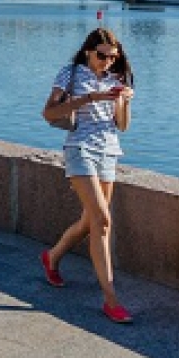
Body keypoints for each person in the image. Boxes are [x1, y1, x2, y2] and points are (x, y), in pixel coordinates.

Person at [38, 27, 135, 323]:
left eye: (112, 57)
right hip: (80, 149)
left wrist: (123, 101)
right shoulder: (70, 73)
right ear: (89, 51)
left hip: (108, 152)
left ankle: (52, 257)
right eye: (102, 55)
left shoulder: (116, 78)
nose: (107, 61)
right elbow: (49, 113)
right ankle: (111, 299)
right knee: (103, 221)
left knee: (89, 222)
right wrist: (90, 98)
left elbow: (122, 126)